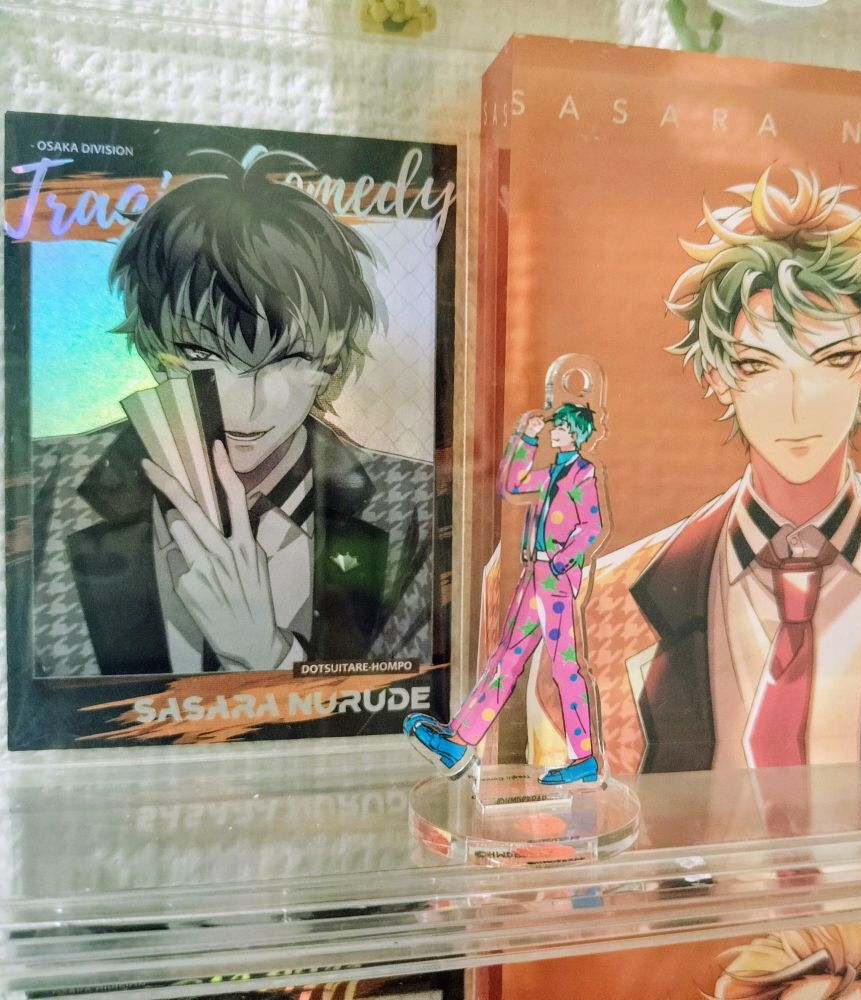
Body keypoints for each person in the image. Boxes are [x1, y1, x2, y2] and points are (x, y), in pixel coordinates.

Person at [617, 166, 861, 772]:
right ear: (718, 376)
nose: (797, 406)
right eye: (757, 365)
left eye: (832, 359)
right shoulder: (607, 601)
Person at [31, 148, 433, 676]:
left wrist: (267, 654)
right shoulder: (44, 484)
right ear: (156, 348)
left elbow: (417, 711)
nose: (248, 403)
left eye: (288, 360)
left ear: (330, 360)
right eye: (205, 356)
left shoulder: (413, 505)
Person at [404, 403, 604, 784]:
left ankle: (584, 757)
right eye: (555, 426)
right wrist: (525, 437)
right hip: (533, 575)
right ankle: (460, 741)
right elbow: (511, 485)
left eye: (561, 427)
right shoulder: (549, 475)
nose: (555, 431)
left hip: (554, 578)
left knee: (564, 667)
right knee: (505, 660)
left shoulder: (583, 473)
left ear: (576, 434)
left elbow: (591, 526)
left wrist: (561, 562)